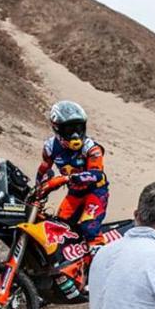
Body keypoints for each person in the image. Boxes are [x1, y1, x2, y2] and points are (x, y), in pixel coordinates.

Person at [36, 100, 110, 246]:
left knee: (89, 227)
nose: (76, 134)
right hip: (74, 194)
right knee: (59, 228)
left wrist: (65, 179)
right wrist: (38, 192)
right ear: (57, 129)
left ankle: (100, 259)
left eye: (79, 128)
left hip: (95, 192)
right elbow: (44, 170)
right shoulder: (50, 147)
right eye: (70, 129)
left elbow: (97, 175)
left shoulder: (91, 147)